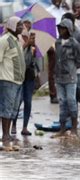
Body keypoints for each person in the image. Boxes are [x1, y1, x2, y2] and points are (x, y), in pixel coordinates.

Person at [54, 19, 80, 137]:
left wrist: (71, 68)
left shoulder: (74, 43)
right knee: (62, 102)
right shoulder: (57, 42)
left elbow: (79, 61)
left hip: (70, 77)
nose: (61, 30)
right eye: (60, 28)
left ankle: (74, 129)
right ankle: (62, 129)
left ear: (69, 29)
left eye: (63, 28)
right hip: (59, 77)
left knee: (71, 101)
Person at [0, 17, 25, 147]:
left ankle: (8, 133)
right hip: (7, 80)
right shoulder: (4, 41)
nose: (22, 27)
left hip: (18, 81)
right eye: (19, 25)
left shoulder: (17, 41)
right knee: (6, 108)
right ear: (11, 26)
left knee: (14, 109)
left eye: (21, 25)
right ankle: (5, 134)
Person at [12, 22, 39, 137]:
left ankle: (25, 127)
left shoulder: (32, 44)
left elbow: (35, 61)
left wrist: (34, 48)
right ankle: (13, 124)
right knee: (17, 101)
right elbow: (17, 56)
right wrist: (26, 44)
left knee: (28, 101)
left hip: (29, 75)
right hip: (18, 75)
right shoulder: (16, 41)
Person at [47, 0, 67, 104]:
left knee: (63, 69)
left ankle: (62, 93)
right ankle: (53, 94)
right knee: (53, 69)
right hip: (52, 42)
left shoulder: (64, 11)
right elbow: (45, 29)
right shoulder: (48, 11)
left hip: (64, 42)